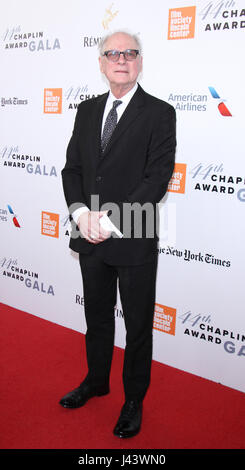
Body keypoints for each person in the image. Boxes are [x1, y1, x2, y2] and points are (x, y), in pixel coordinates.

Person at [60, 31, 176, 439]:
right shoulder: (87, 110)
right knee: (96, 316)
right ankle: (95, 381)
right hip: (87, 234)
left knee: (139, 325)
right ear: (101, 62)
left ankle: (133, 400)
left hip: (133, 236)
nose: (121, 59)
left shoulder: (160, 113)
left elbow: (156, 179)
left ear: (140, 62)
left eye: (129, 53)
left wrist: (107, 221)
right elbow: (72, 169)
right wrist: (80, 214)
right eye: (112, 53)